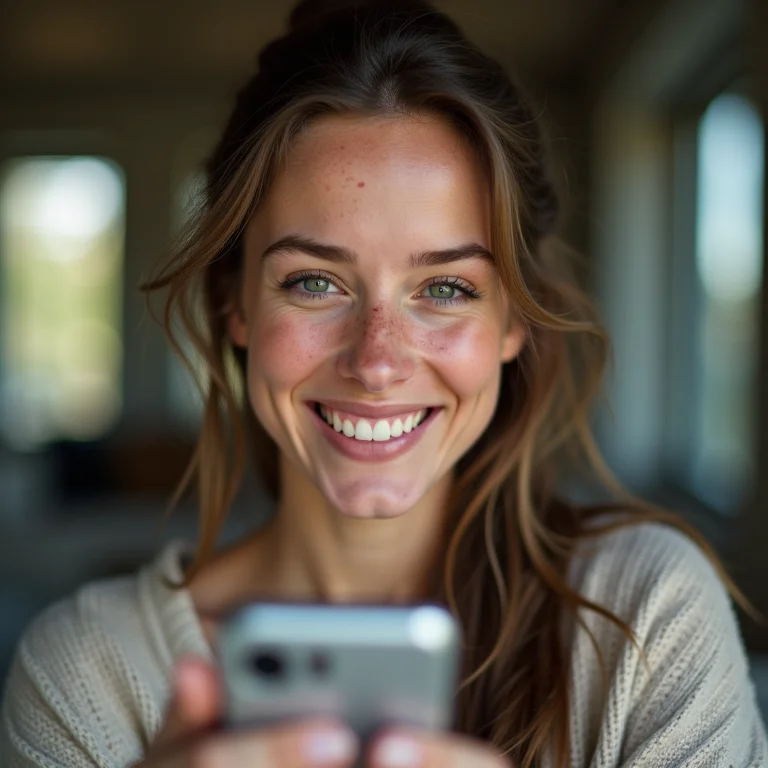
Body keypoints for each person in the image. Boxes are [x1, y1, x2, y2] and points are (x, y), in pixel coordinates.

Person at [2, 0, 767, 766]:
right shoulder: (86, 674)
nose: (376, 362)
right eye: (313, 282)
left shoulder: (646, 616)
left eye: (445, 289)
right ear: (235, 304)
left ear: (514, 322)